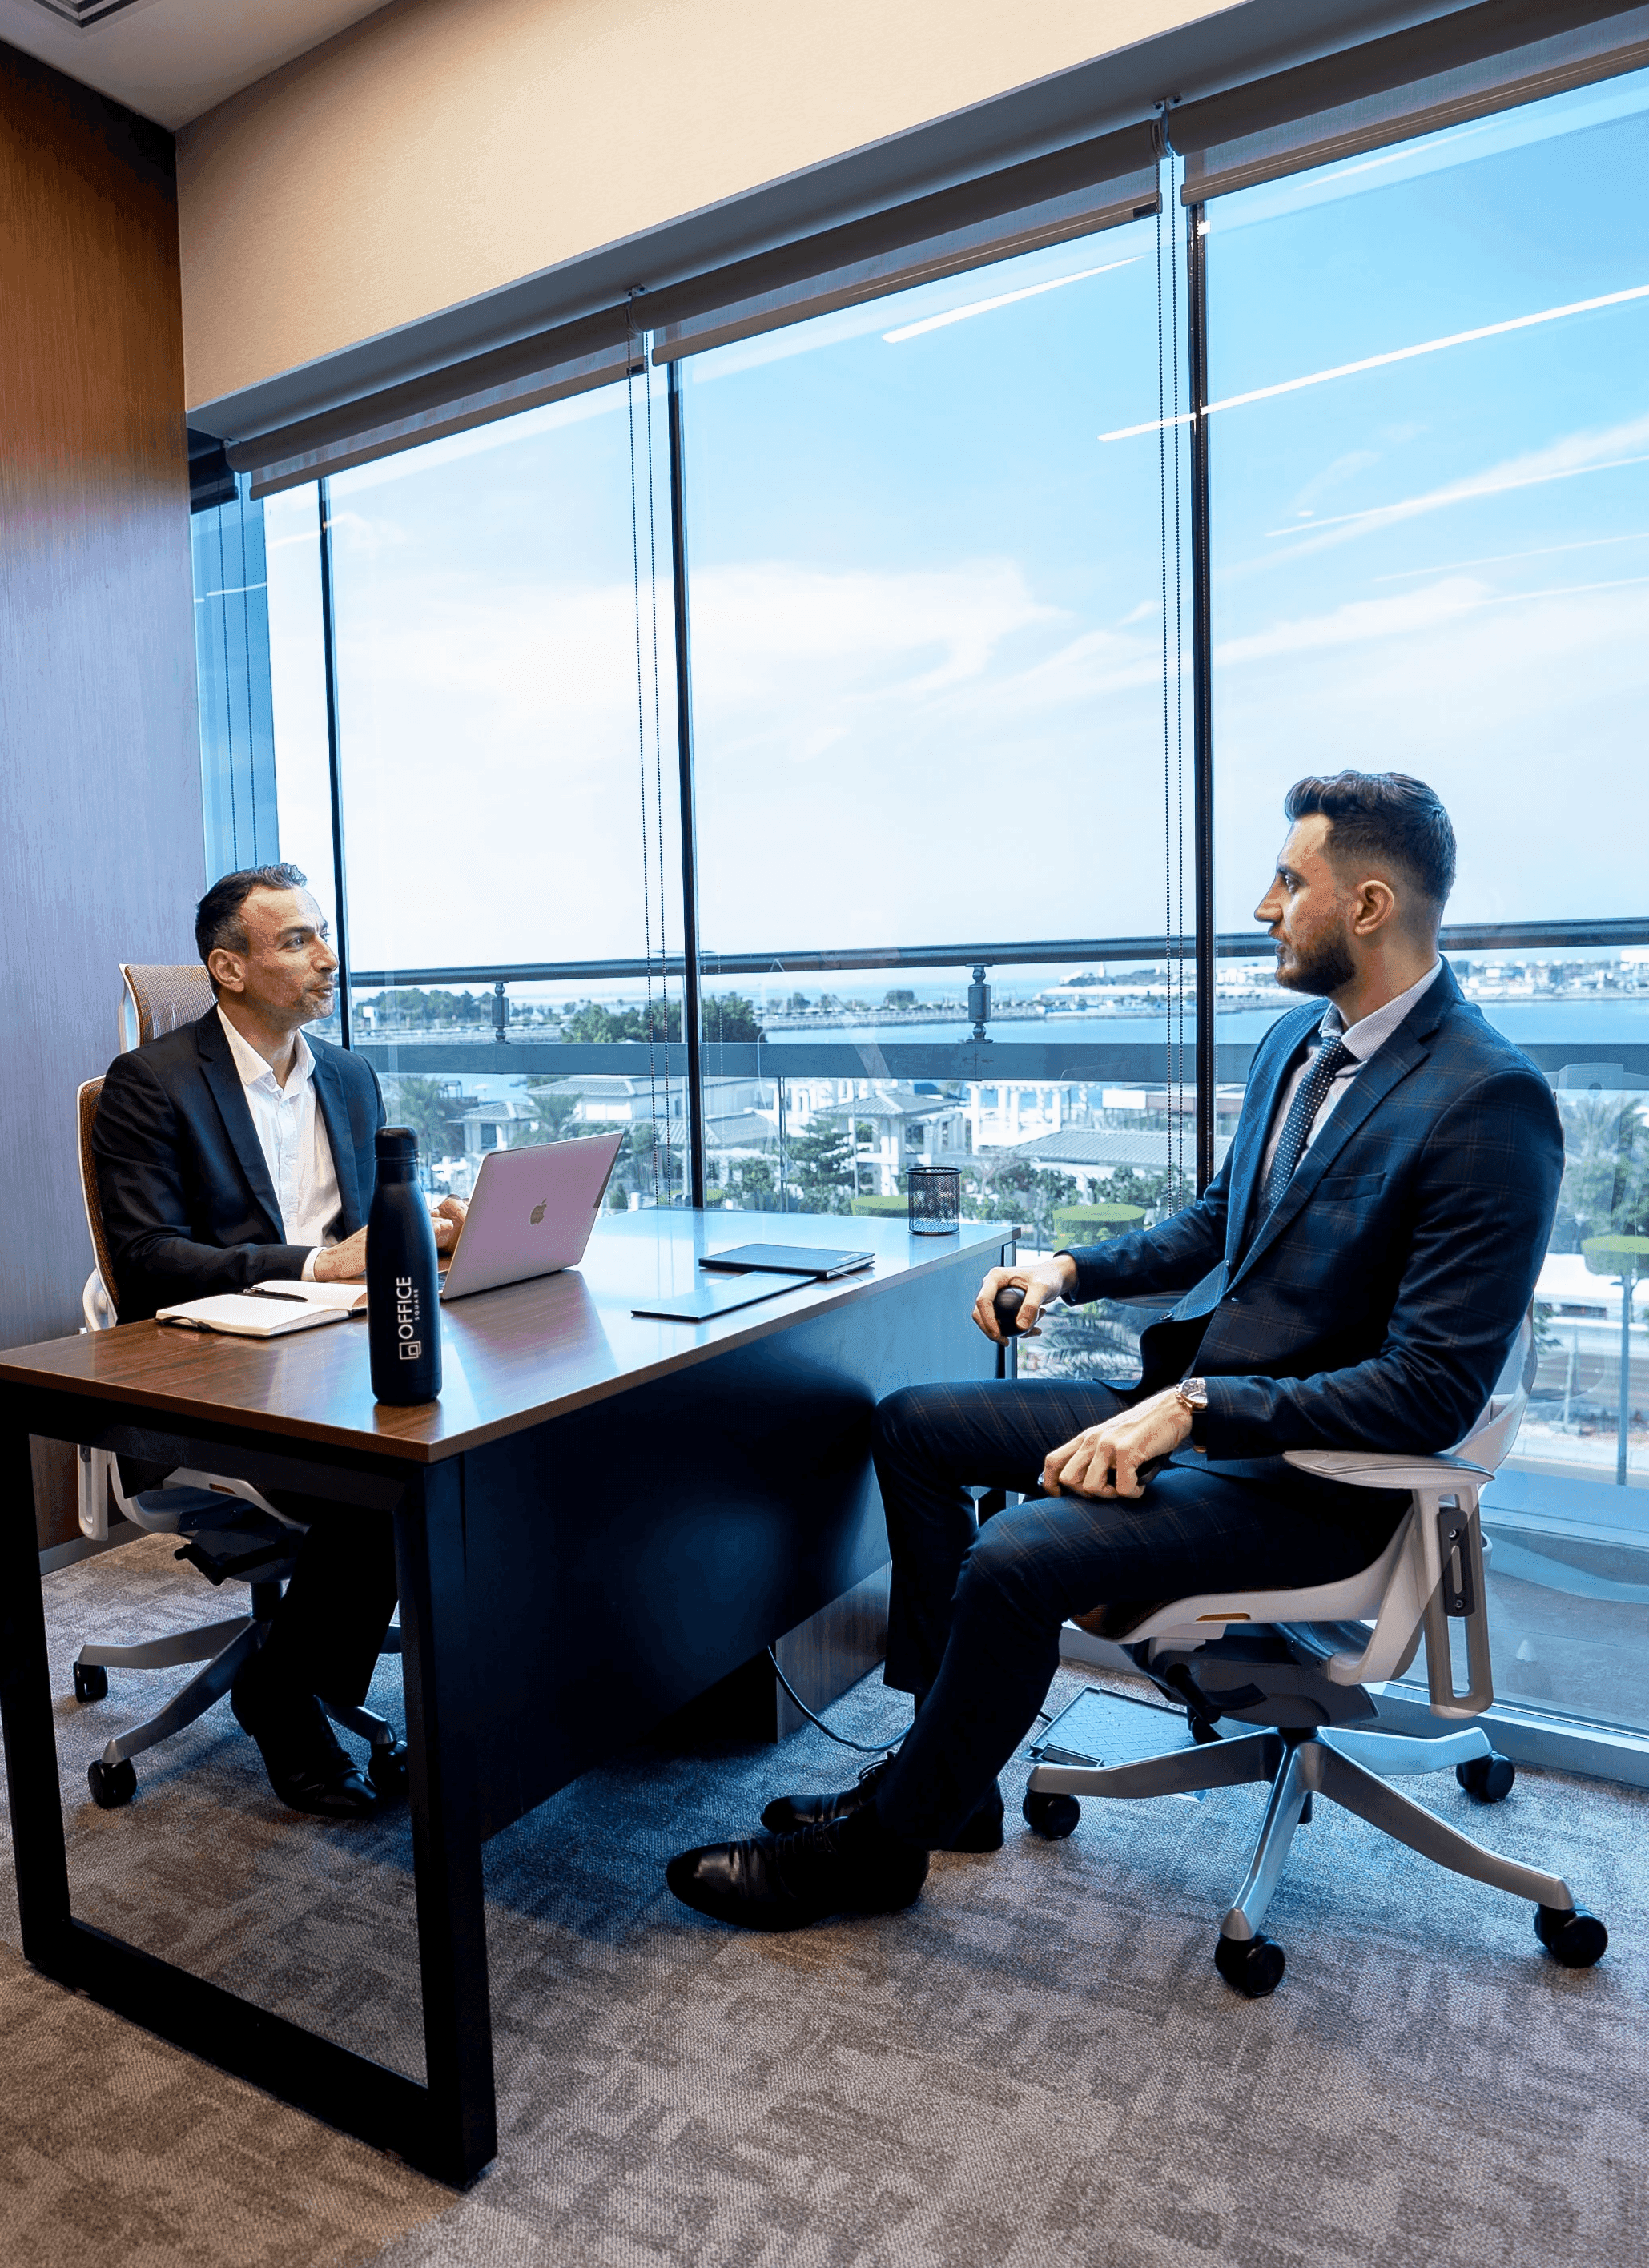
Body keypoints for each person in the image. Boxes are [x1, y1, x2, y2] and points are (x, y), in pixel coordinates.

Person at [666, 771, 1565, 1930]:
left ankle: (878, 1854)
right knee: (914, 1427)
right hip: (1197, 1419)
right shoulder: (1301, 1043)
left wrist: (1197, 1407)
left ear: (1369, 904)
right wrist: (1068, 1271)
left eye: (1288, 883)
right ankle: (943, 1781)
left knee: (1015, 1556)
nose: (1261, 905)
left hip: (1313, 1479)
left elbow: (1428, 1390)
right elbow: (1216, 1217)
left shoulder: (1486, 1100)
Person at [93, 863, 465, 1818]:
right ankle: (282, 1690)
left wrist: (423, 1229)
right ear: (228, 967)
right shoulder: (150, 1085)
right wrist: (313, 1264)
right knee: (390, 1480)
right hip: (213, 1381)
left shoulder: (347, 1074)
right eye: (297, 940)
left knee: (480, 1441)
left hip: (341, 1355)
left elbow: (364, 1232)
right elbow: (144, 1260)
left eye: (321, 934)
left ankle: (429, 1687)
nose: (326, 958)